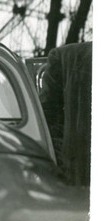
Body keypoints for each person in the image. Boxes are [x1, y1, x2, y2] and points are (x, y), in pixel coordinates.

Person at [38, 42, 92, 187]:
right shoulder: (63, 57)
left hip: (77, 176)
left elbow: (48, 120)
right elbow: (49, 119)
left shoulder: (64, 56)